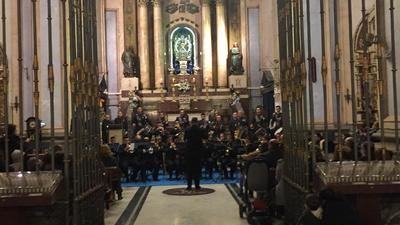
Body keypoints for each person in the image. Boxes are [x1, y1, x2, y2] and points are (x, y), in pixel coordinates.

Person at [184, 117, 207, 190]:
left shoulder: (187, 130)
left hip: (189, 152)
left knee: (189, 169)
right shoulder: (201, 130)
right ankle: (197, 185)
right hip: (198, 152)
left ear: (191, 122)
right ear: (197, 122)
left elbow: (185, 138)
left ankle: (189, 185)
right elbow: (205, 137)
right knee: (197, 169)